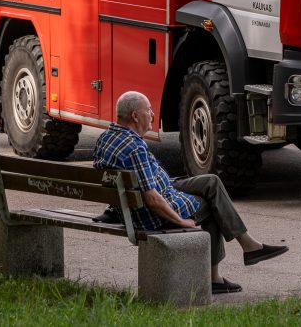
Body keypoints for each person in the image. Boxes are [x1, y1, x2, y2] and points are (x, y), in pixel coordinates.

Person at [93, 91, 288, 294]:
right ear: (135, 116)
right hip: (153, 212)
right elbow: (151, 199)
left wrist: (113, 208)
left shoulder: (105, 139)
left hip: (150, 195)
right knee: (214, 205)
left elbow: (116, 182)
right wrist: (180, 220)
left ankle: (248, 246)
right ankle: (218, 274)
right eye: (148, 110)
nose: (152, 115)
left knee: (211, 182)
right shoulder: (135, 147)